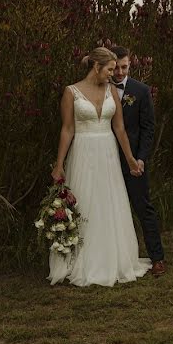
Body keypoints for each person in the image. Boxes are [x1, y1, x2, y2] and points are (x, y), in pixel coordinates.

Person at [48, 47, 151, 286]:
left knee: (108, 204)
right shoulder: (71, 92)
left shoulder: (112, 92)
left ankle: (112, 260)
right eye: (110, 69)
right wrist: (59, 164)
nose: (114, 74)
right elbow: (67, 129)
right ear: (96, 67)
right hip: (83, 153)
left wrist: (130, 159)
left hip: (108, 155)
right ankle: (82, 261)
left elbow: (120, 129)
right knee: (85, 203)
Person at [110, 46, 166, 277]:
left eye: (125, 67)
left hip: (134, 162)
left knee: (143, 208)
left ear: (130, 65)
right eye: (116, 68)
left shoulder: (141, 91)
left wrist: (141, 159)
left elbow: (148, 128)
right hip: (106, 160)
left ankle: (157, 258)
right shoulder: (99, 88)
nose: (120, 72)